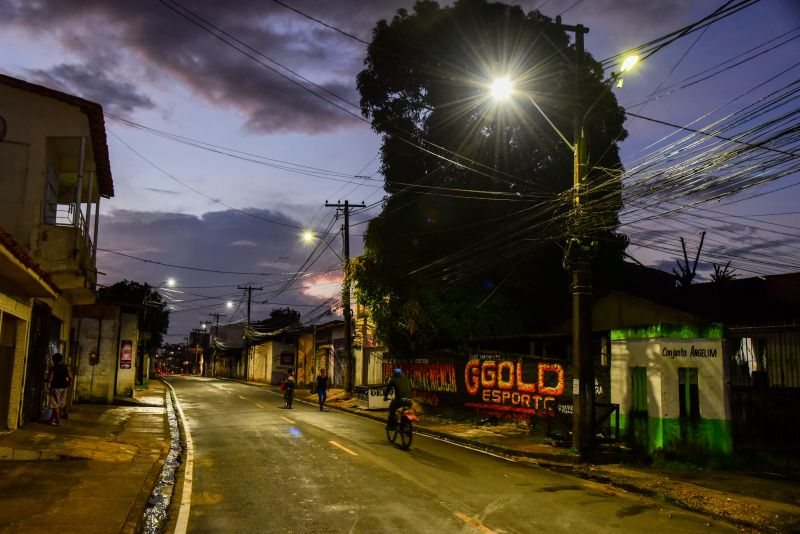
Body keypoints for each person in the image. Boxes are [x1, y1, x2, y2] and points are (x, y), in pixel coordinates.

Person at [46, 353, 73, 426]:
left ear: (53, 360)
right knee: (60, 405)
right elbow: (70, 377)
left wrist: (46, 380)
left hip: (55, 388)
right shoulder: (66, 367)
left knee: (55, 405)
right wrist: (68, 383)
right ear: (61, 359)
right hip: (64, 388)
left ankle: (58, 421)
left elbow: (50, 379)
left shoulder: (53, 368)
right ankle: (51, 419)